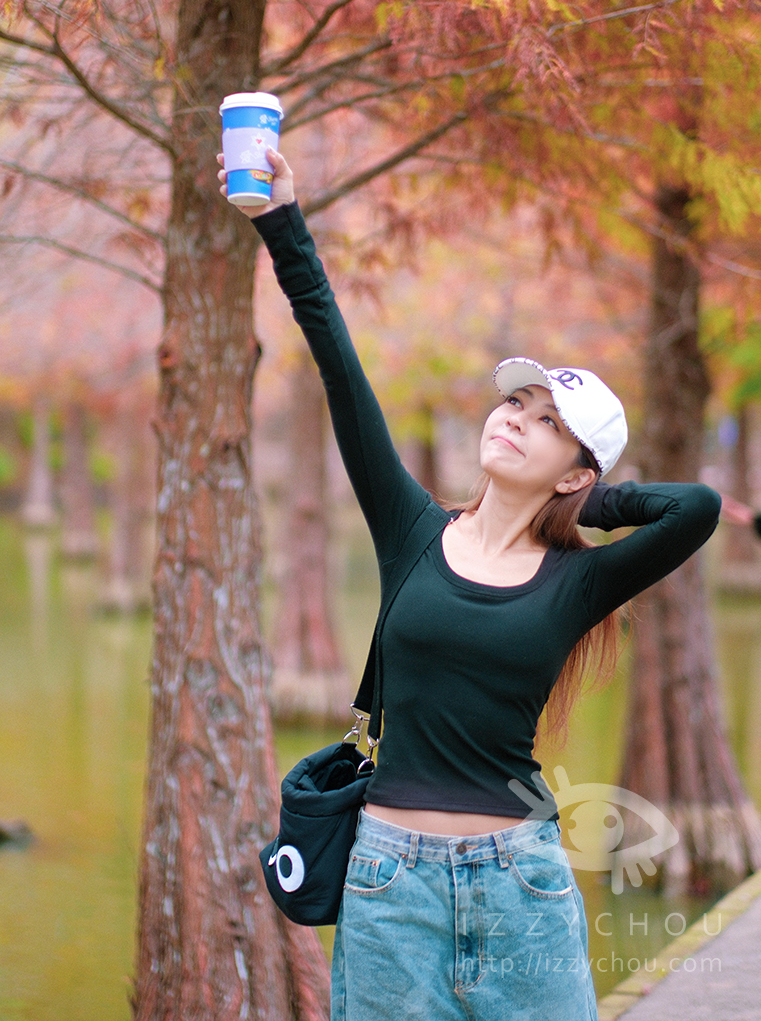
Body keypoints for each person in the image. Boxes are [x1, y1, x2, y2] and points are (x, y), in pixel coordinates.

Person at [218, 148, 721, 1021]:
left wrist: (590, 500)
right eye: (513, 406)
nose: (515, 421)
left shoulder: (577, 581)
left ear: (576, 471)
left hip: (520, 883)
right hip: (387, 884)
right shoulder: (411, 531)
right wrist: (281, 221)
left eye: (546, 424)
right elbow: (339, 364)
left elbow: (696, 507)